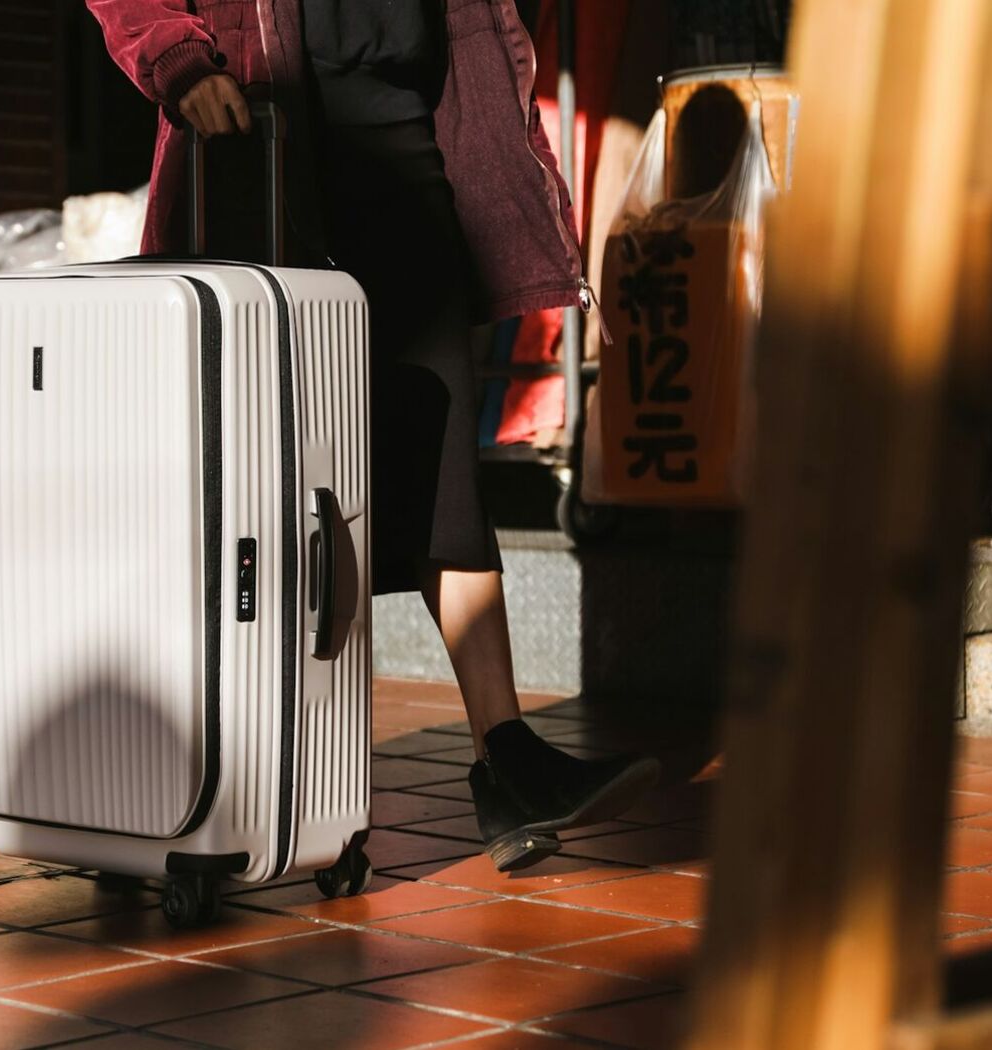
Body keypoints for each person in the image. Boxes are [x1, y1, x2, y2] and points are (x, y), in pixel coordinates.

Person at [88, 0, 661, 872]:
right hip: (267, 149)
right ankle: (219, 769)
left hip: (410, 146)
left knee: (439, 466)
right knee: (263, 481)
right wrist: (182, 63)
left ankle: (507, 761)